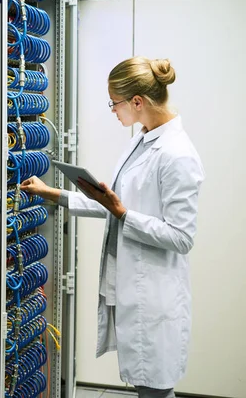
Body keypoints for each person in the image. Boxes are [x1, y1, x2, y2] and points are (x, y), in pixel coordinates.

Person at [21, 56, 205, 398]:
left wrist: (121, 212)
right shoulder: (142, 139)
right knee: (148, 387)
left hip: (155, 295)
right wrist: (53, 193)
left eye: (114, 102)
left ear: (137, 102)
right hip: (134, 288)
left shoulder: (177, 154)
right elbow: (116, 205)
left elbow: (181, 237)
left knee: (156, 390)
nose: (112, 110)